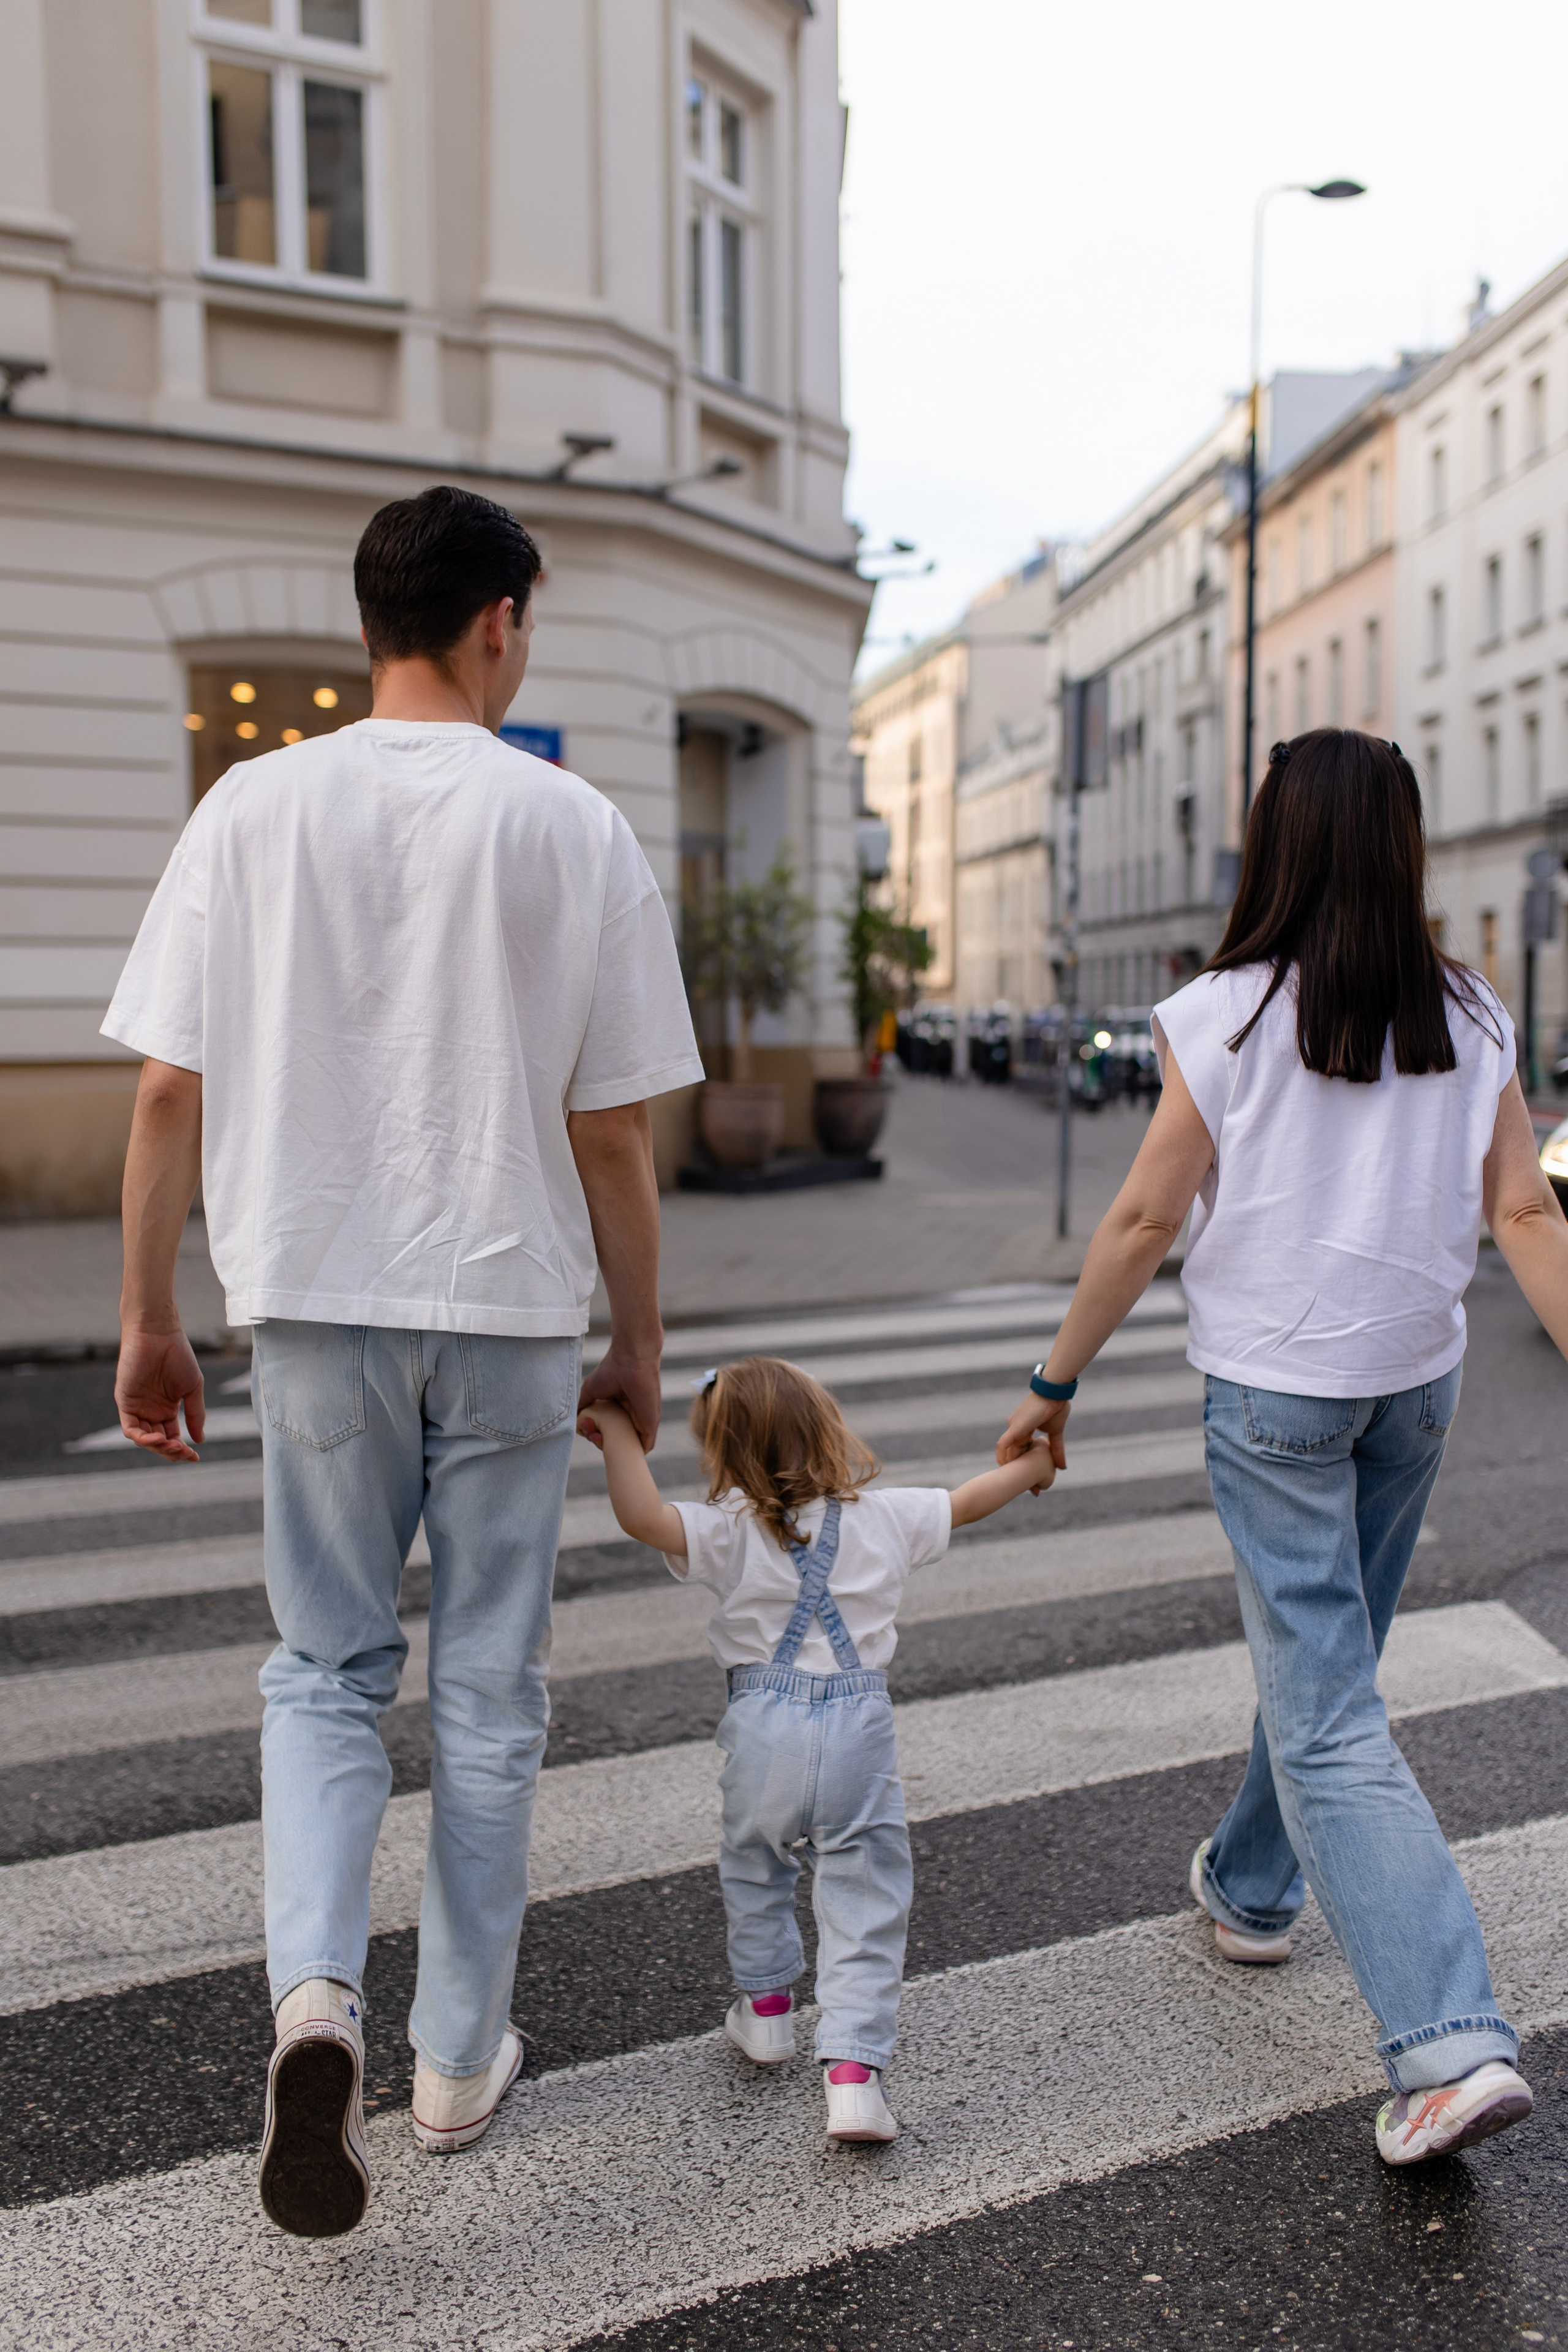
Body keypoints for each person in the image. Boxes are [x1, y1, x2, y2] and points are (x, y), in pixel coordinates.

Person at [102, 486, 705, 2237]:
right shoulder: (572, 825)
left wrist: (149, 1314)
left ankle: (315, 2001)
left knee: (322, 1670)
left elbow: (166, 1090)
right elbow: (613, 1134)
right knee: (491, 1691)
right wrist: (639, 1339)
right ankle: (451, 2061)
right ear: (499, 619)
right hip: (508, 1305)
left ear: (372, 621)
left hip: (310, 1298)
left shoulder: (248, 806)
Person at [998, 729, 1568, 2168]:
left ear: (1278, 842)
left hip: (1274, 1400)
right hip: (1410, 1387)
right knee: (1328, 1663)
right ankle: (1252, 1887)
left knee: (1322, 1704)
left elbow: (1143, 1218)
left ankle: (1444, 2041)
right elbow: (1523, 1212)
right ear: (1399, 843)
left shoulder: (1223, 1011)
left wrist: (1053, 1381)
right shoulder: (1469, 1010)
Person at [582, 1354, 1058, 2143]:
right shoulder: (885, 1516)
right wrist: (1034, 1464)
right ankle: (853, 2079)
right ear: (828, 1428)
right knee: (863, 1894)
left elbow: (640, 1515)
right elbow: (969, 1499)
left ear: (722, 1450)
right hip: (856, 1731)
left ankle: (768, 2010)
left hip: (760, 1727)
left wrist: (614, 1430)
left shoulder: (726, 1528)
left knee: (754, 1861)